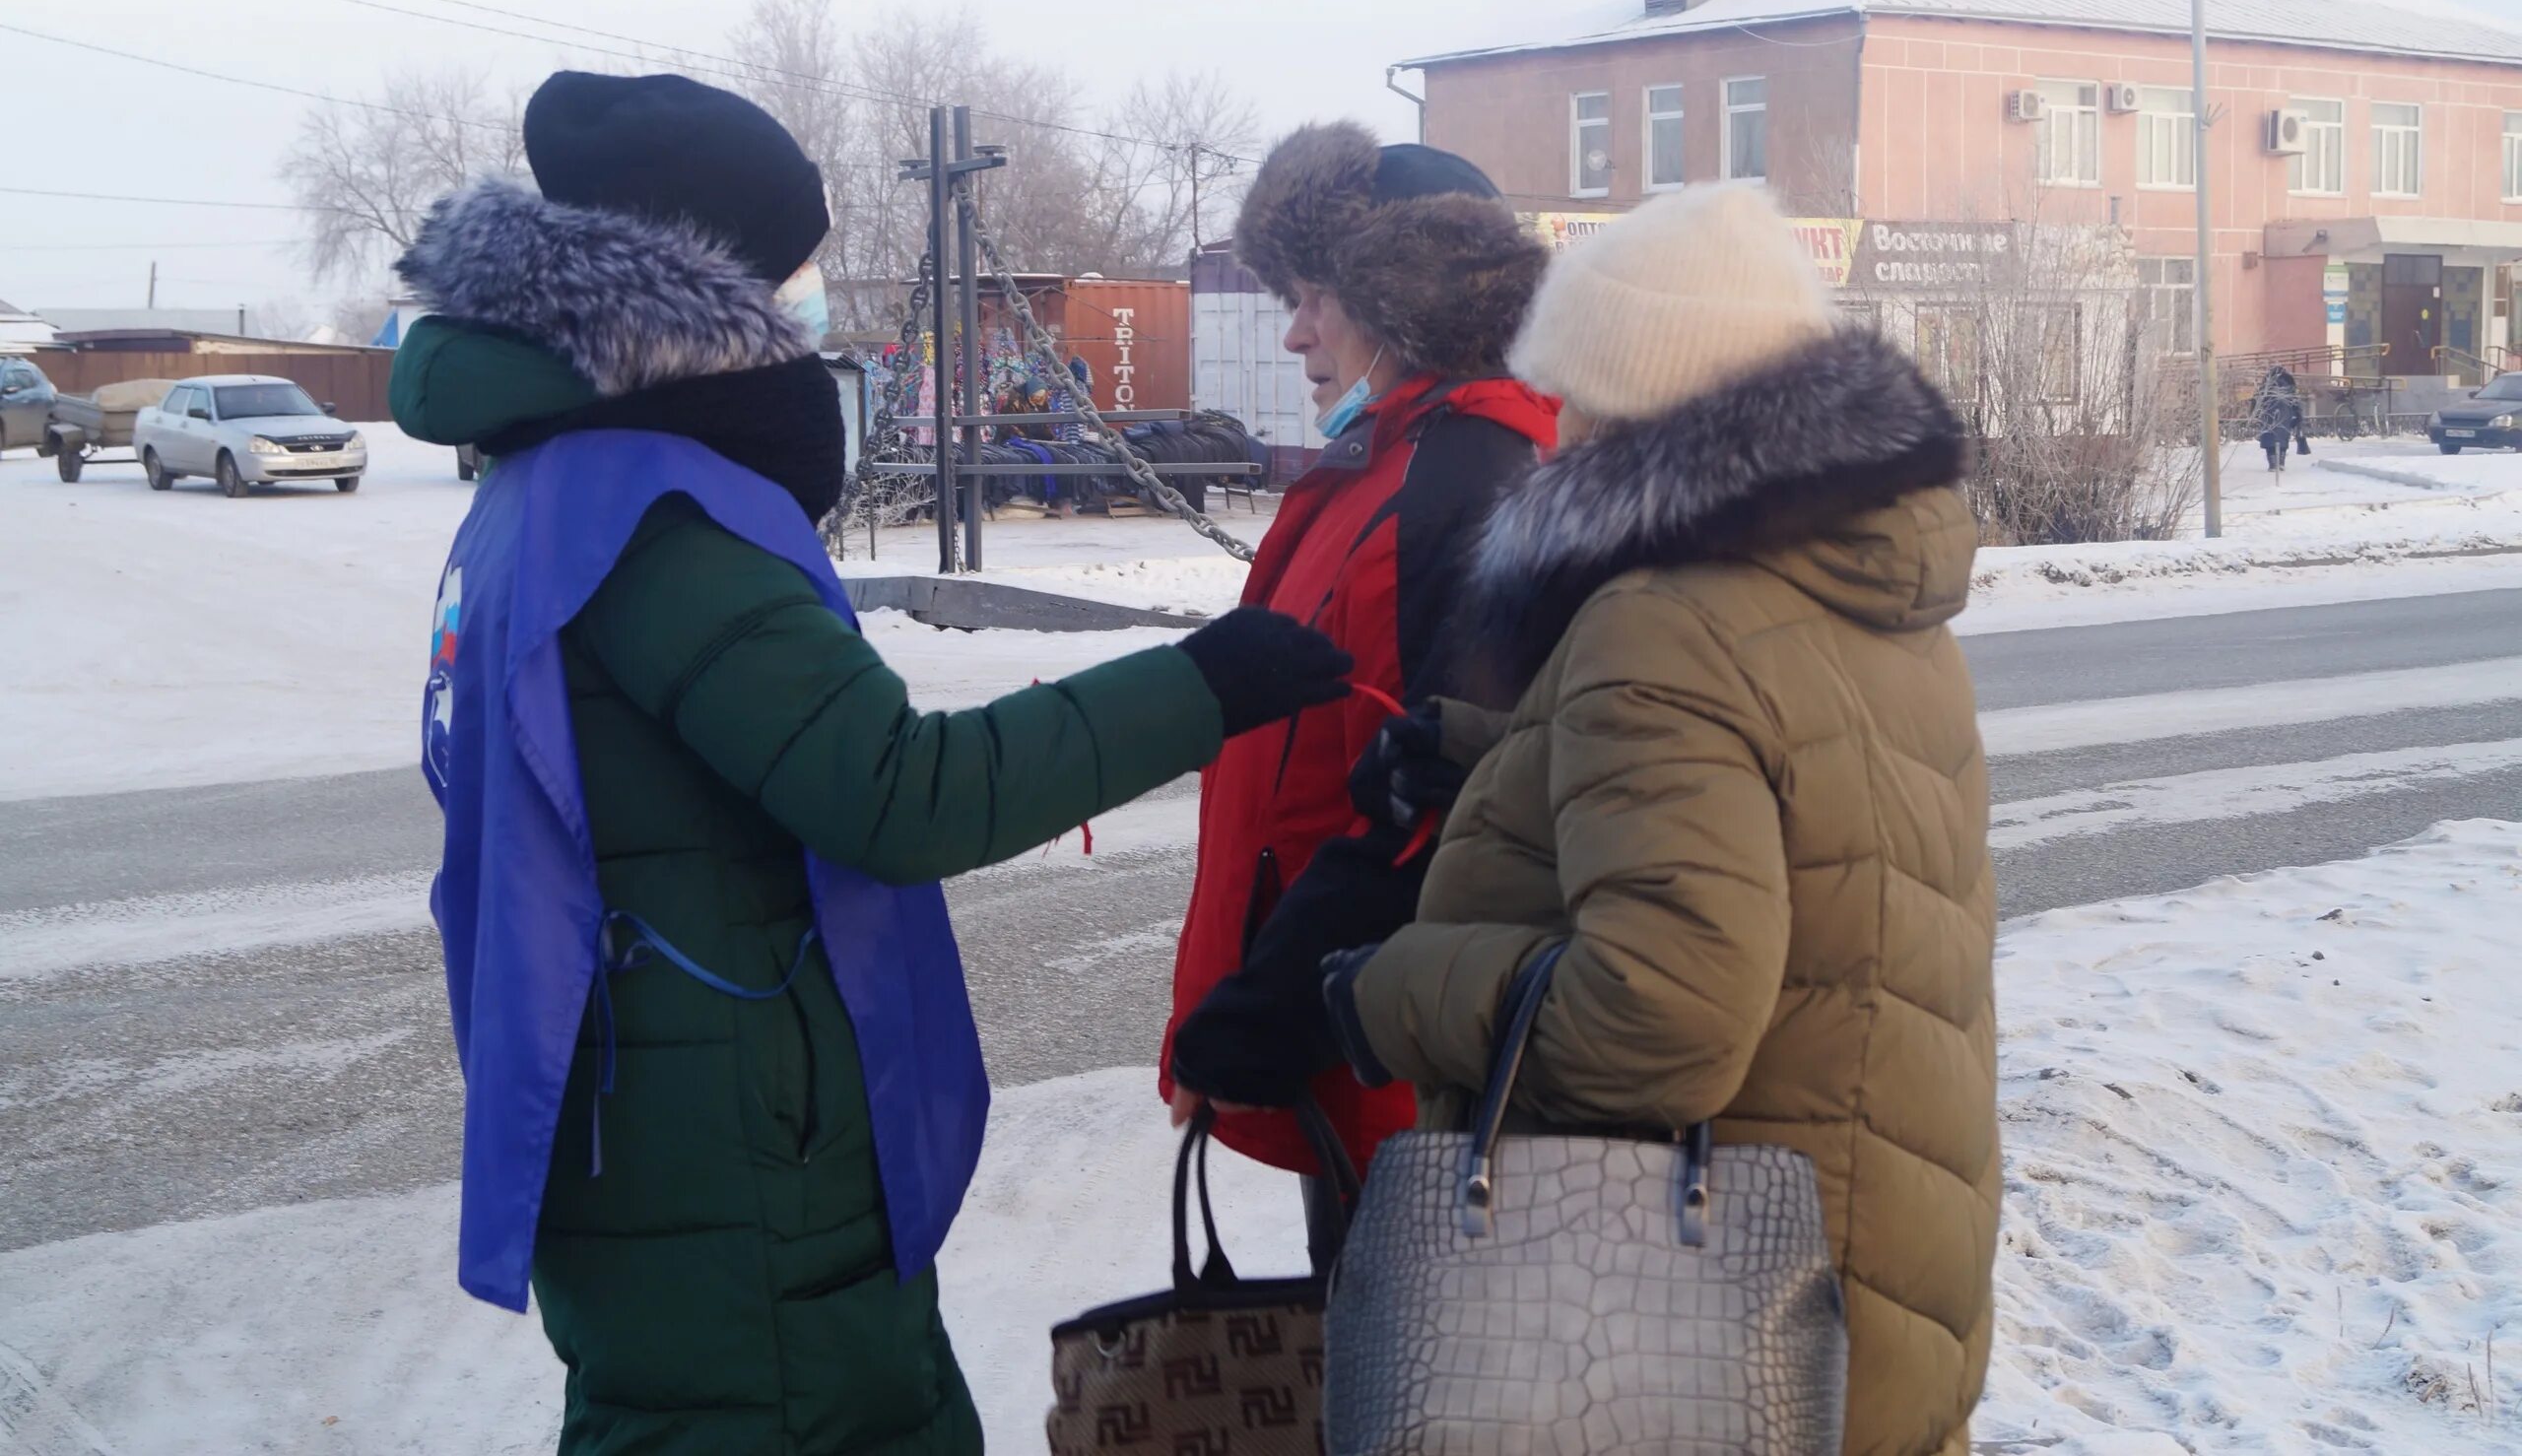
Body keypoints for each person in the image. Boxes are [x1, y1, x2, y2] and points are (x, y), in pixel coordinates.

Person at [391, 71, 1351, 1456]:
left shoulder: (545, 485)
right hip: (729, 1152)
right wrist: (1205, 683)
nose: (806, 312)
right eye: (790, 277)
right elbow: (895, 792)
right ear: (695, 289)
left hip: (651, 1113)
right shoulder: (654, 520)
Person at [1323, 185, 1999, 1454]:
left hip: (1711, 1320)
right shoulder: (1848, 581)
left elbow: (1663, 1015)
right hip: (1873, 1250)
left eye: (1572, 392)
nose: (1549, 429)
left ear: (1640, 403)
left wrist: (1396, 988)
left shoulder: (1664, 623)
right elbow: (1787, 811)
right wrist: (1502, 763)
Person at [1161, 122, 1556, 1251]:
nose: (1292, 333)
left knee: (1417, 1388)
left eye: (1313, 294)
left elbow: (1453, 796)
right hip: (1349, 1040)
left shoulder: (1469, 475)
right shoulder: (1388, 458)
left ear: (1401, 292)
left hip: (1401, 1066)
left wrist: (1266, 1015)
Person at [2254, 364, 2305, 472]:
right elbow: (2295, 402)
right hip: (2286, 417)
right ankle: (2281, 462)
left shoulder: (2266, 386)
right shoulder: (2290, 384)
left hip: (2268, 416)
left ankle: (2273, 464)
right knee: (2283, 441)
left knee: (2269, 440)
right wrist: (2298, 416)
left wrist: (2256, 415)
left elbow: (2257, 401)